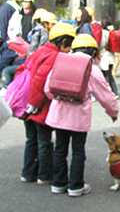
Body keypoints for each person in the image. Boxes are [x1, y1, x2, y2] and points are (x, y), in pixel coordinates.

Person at [44, 34, 119, 197]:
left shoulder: (61, 61)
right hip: (78, 117)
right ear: (93, 52)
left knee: (60, 149)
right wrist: (113, 112)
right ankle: (76, 186)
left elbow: (47, 88)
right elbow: (105, 95)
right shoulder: (91, 68)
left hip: (59, 115)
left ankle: (58, 183)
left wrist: (58, 101)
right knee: (78, 151)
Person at [20, 23, 76, 185]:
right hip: (39, 106)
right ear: (63, 40)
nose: (71, 47)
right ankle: (44, 175)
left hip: (27, 103)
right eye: (70, 43)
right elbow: (40, 81)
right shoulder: (54, 56)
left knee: (31, 140)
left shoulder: (41, 51)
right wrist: (35, 104)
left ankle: (28, 173)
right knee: (44, 141)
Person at [0, 0, 36, 96]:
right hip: (18, 44)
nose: (25, 4)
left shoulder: (35, 15)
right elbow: (12, 28)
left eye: (27, 2)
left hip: (27, 48)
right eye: (23, 1)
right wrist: (15, 39)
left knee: (9, 69)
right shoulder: (18, 13)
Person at [100, 18, 118, 98]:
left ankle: (107, 93)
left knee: (105, 75)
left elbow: (101, 44)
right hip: (111, 56)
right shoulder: (112, 31)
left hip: (104, 56)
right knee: (110, 75)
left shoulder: (103, 32)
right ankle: (115, 92)